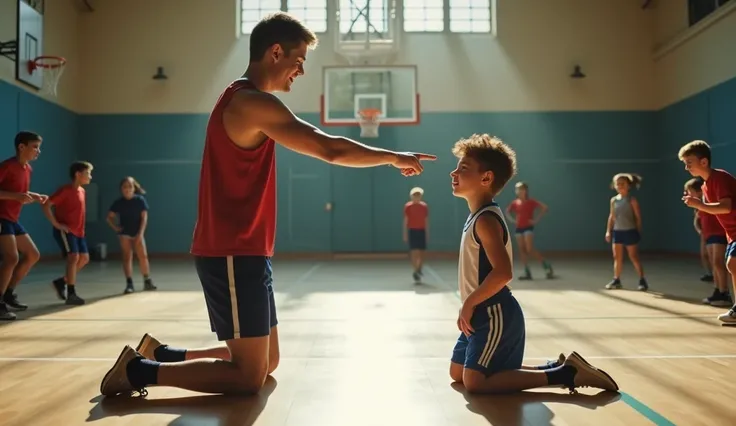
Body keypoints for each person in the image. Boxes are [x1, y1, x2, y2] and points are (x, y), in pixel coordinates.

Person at [99, 12, 436, 397]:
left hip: (247, 250)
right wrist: (393, 156)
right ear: (276, 52)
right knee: (248, 377)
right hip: (231, 250)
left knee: (267, 363)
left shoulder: (245, 98)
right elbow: (327, 148)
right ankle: (139, 371)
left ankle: (163, 354)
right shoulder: (251, 103)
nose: (301, 71)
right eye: (299, 61)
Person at [448, 133, 618, 394]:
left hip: (495, 314)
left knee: (475, 382)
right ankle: (556, 366)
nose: (454, 172)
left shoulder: (486, 220)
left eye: (463, 168)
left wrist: (469, 303)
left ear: (486, 178)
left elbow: (503, 273)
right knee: (457, 373)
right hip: (480, 313)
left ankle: (566, 374)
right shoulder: (477, 217)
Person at [679, 140, 736, 324]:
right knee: (732, 265)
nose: (687, 168)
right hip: (732, 234)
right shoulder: (704, 186)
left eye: (689, 163)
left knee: (732, 264)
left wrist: (699, 205)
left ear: (703, 162)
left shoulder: (720, 178)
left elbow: (726, 207)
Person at [0, 131, 46, 320]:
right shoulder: (7, 166)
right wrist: (15, 197)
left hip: (13, 219)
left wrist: (33, 196)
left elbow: (20, 191)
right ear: (22, 147)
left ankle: (9, 292)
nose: (38, 151)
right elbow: (12, 193)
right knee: (11, 258)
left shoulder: (28, 169)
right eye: (35, 147)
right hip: (1, 217)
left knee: (33, 255)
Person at [43, 161, 94, 306]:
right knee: (73, 257)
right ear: (78, 174)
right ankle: (71, 294)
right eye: (88, 173)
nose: (90, 176)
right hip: (66, 231)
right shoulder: (65, 190)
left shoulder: (83, 191)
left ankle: (62, 282)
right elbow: (47, 205)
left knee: (84, 258)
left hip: (79, 233)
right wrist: (56, 224)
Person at [684, 177, 730, 306]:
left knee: (718, 263)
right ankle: (717, 291)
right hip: (709, 235)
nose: (688, 194)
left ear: (699, 191)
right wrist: (700, 230)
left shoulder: (709, 199)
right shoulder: (700, 205)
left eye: (690, 192)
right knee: (713, 263)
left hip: (719, 233)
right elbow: (698, 219)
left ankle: (725, 293)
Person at [107, 176, 156, 294]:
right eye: (124, 187)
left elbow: (144, 218)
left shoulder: (140, 201)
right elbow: (109, 217)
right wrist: (116, 228)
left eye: (130, 186)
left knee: (142, 256)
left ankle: (147, 280)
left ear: (134, 188)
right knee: (127, 257)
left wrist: (140, 233)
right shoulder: (118, 203)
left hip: (138, 233)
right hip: (125, 234)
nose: (127, 189)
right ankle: (129, 283)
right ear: (121, 189)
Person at [604, 173, 648, 291]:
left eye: (622, 184)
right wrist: (608, 231)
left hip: (630, 231)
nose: (620, 186)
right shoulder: (613, 201)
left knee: (633, 256)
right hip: (618, 232)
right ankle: (616, 280)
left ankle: (642, 280)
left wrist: (638, 231)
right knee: (617, 257)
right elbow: (612, 217)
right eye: (617, 184)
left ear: (628, 185)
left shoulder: (632, 200)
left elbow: (638, 217)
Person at [505, 182, 553, 280]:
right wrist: (512, 220)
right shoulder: (515, 202)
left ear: (525, 191)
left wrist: (535, 220)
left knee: (529, 249)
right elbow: (507, 211)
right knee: (522, 250)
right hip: (519, 228)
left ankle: (546, 265)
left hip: (528, 227)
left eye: (521, 189)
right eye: (517, 189)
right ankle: (527, 272)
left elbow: (544, 208)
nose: (519, 191)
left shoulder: (531, 201)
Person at [403, 187, 429, 282]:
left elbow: (426, 221)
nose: (416, 198)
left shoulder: (424, 207)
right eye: (415, 196)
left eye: (418, 196)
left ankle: (419, 269)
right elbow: (406, 221)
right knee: (414, 252)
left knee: (421, 253)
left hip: (421, 231)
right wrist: (405, 234)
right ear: (411, 196)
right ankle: (415, 270)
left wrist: (427, 233)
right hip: (412, 231)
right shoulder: (408, 207)